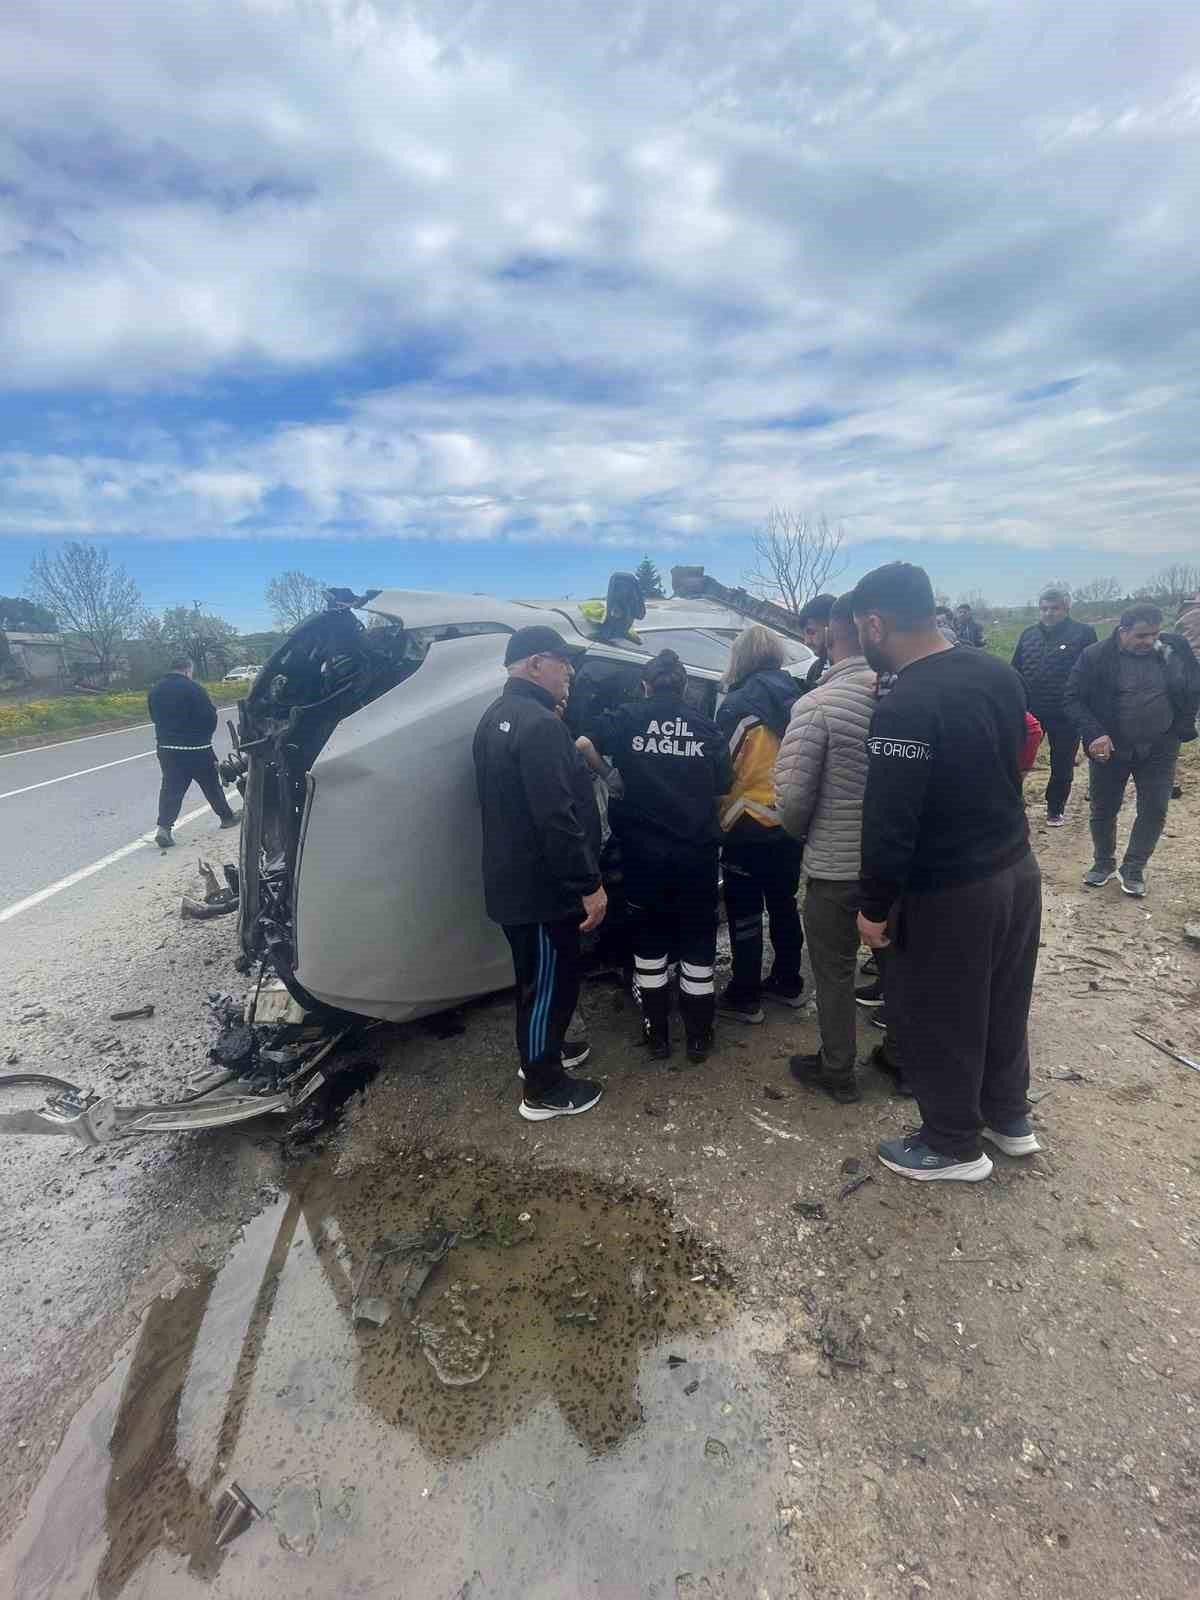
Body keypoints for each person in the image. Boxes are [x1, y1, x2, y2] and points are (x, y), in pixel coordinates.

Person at [852, 562, 1042, 1182]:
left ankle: (952, 1143)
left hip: (952, 889)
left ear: (876, 624)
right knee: (1003, 1002)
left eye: (861, 630)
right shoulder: (998, 673)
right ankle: (1008, 1118)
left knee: (941, 1014)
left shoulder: (904, 706)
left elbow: (889, 823)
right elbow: (1011, 762)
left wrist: (873, 907)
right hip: (1016, 867)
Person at [472, 625, 607, 1121]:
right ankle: (544, 1088)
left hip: (513, 882)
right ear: (533, 664)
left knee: (536, 981)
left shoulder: (496, 717)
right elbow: (557, 818)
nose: (570, 670)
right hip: (543, 891)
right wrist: (588, 886)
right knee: (548, 985)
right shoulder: (540, 725)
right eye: (561, 660)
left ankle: (544, 1054)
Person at [590, 650, 732, 1064]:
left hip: (643, 857)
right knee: (698, 943)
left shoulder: (628, 717)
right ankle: (699, 1036)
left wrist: (608, 774)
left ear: (645, 685)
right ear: (685, 688)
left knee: (649, 942)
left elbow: (582, 739)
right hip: (697, 857)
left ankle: (657, 1035)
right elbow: (723, 786)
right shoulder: (706, 728)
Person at [775, 595, 877, 1104]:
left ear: (832, 637)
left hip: (836, 868)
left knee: (835, 969)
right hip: (893, 864)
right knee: (895, 962)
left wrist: (798, 833)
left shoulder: (817, 706)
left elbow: (792, 799)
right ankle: (901, 1058)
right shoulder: (897, 693)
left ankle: (838, 1070)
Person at [1064, 603, 1200, 897]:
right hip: (1110, 746)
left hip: (1161, 745)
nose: (1148, 642)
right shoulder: (1096, 656)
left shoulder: (1174, 647)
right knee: (1103, 808)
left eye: (1153, 634)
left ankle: (1134, 866)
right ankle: (1103, 863)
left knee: (1154, 808)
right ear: (1123, 631)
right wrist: (1094, 733)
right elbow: (1073, 698)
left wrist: (1182, 725)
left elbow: (1193, 684)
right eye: (1141, 636)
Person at [714, 625, 806, 1023]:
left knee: (745, 909)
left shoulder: (737, 704)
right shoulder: (799, 696)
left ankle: (745, 993)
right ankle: (788, 981)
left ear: (742, 657)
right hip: (789, 820)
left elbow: (720, 768)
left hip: (745, 823)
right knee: (784, 903)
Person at [1010, 588, 1097, 826]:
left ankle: (1055, 808)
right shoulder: (1029, 635)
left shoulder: (1083, 634)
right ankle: (1013, 804)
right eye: (1044, 608)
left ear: (1066, 609)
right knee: (1016, 758)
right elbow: (1015, 668)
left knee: (1062, 763)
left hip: (1066, 711)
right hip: (1031, 709)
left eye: (1054, 608)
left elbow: (1091, 670)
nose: (1048, 613)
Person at [148, 656, 239, 848]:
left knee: (171, 789)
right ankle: (227, 817)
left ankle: (164, 829)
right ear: (188, 669)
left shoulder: (155, 689)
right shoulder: (194, 689)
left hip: (167, 749)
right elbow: (209, 717)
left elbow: (154, 716)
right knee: (211, 785)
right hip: (197, 749)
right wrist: (204, 736)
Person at [797, 593, 836, 688]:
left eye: (811, 632)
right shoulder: (815, 668)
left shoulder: (861, 670)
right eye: (804, 635)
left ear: (831, 627)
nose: (806, 642)